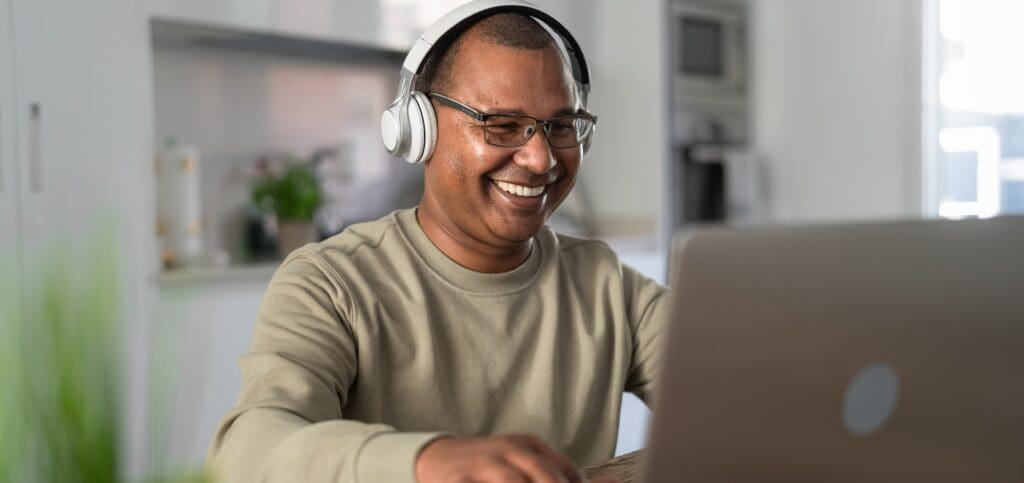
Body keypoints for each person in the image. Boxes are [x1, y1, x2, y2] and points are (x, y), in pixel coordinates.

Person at [207, 2, 668, 482]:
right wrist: (426, 462)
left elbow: (733, 390)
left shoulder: (608, 285)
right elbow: (246, 452)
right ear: (417, 130)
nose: (539, 158)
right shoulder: (330, 284)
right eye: (503, 125)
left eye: (561, 126)